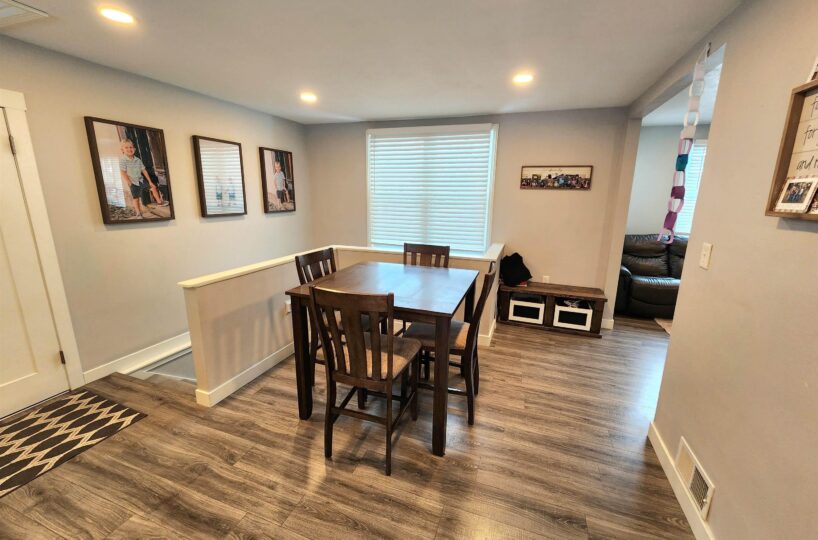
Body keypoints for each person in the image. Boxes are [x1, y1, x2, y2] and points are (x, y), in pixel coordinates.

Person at [119, 139, 167, 218]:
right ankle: (138, 213)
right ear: (122, 150)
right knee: (136, 198)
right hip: (133, 182)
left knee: (153, 187)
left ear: (134, 149)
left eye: (131, 147)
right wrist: (129, 182)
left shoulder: (137, 160)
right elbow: (123, 172)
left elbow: (144, 170)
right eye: (126, 147)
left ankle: (159, 202)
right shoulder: (123, 160)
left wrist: (149, 181)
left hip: (141, 180)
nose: (129, 149)